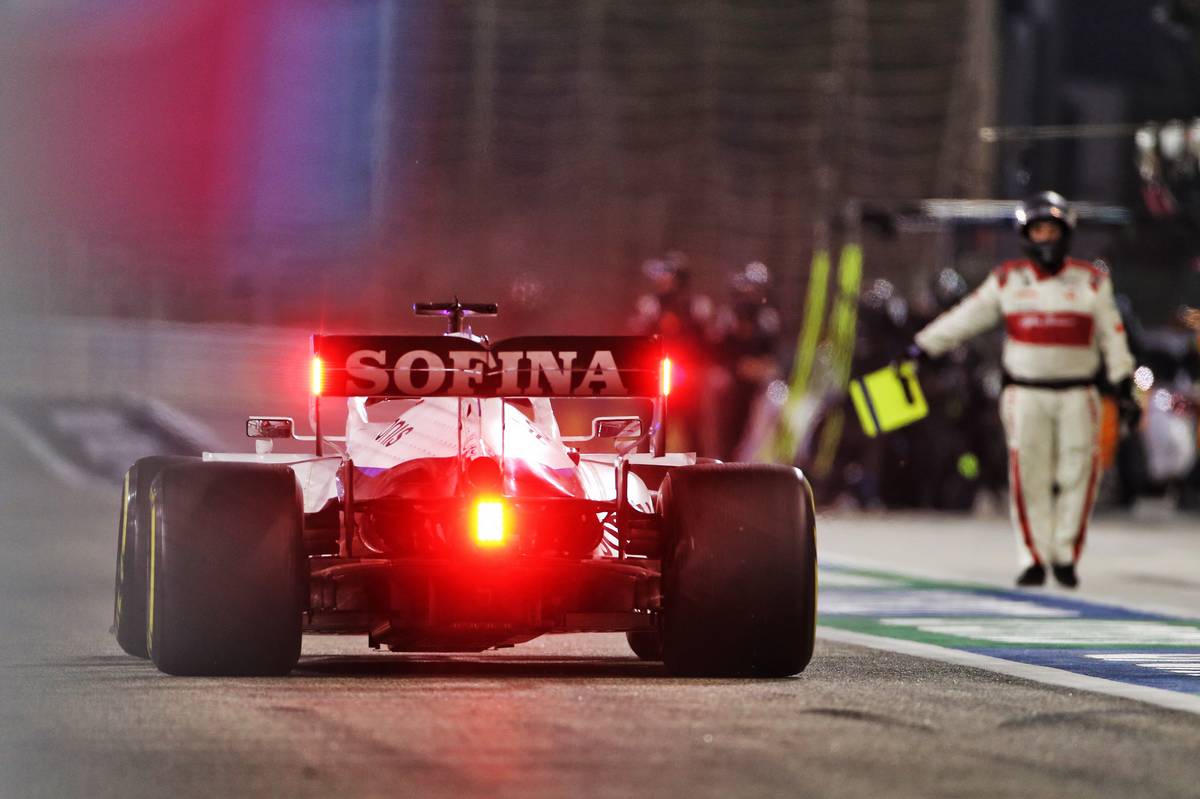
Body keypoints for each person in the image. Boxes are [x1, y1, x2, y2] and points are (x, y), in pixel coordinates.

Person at [909, 191, 1139, 588]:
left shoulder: (1091, 282)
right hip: (1025, 392)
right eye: (1038, 230)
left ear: (1066, 234)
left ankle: (1064, 555)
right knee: (1027, 473)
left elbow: (1113, 337)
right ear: (1026, 236)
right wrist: (924, 345)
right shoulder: (1008, 280)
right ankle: (1033, 556)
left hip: (1077, 392)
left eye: (1052, 229)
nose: (1046, 238)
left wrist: (1124, 385)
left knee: (1078, 473)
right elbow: (967, 316)